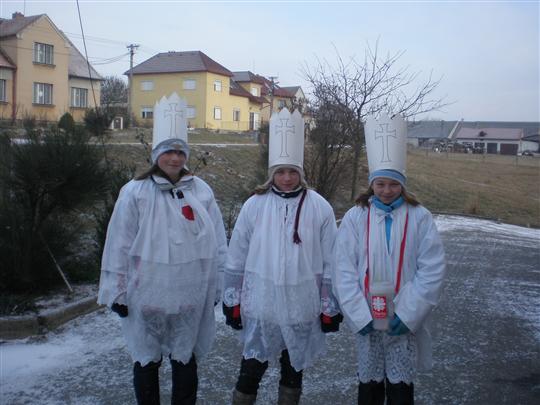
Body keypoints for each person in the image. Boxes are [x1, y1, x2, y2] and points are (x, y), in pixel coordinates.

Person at [97, 93, 227, 405]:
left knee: (185, 358)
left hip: (189, 292)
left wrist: (217, 285)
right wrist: (118, 290)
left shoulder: (200, 191)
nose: (175, 159)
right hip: (148, 293)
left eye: (180, 152)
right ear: (157, 154)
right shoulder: (135, 192)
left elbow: (217, 240)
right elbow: (119, 242)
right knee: (146, 360)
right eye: (168, 151)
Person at [223, 109, 342, 405]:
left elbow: (332, 258)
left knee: (292, 371)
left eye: (292, 171)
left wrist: (329, 304)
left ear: (301, 172)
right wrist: (232, 300)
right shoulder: (254, 205)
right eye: (280, 172)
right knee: (251, 369)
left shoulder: (319, 206)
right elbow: (237, 253)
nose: (287, 178)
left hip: (301, 304)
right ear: (271, 174)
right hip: (262, 303)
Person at [333, 114, 446, 405]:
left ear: (402, 185)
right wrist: (358, 314)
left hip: (402, 313)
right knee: (369, 385)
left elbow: (431, 268)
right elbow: (343, 267)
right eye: (380, 184)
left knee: (400, 388)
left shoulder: (419, 217)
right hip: (367, 313)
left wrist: (409, 314)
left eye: (393, 184)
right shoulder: (356, 217)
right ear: (372, 184)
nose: (386, 191)